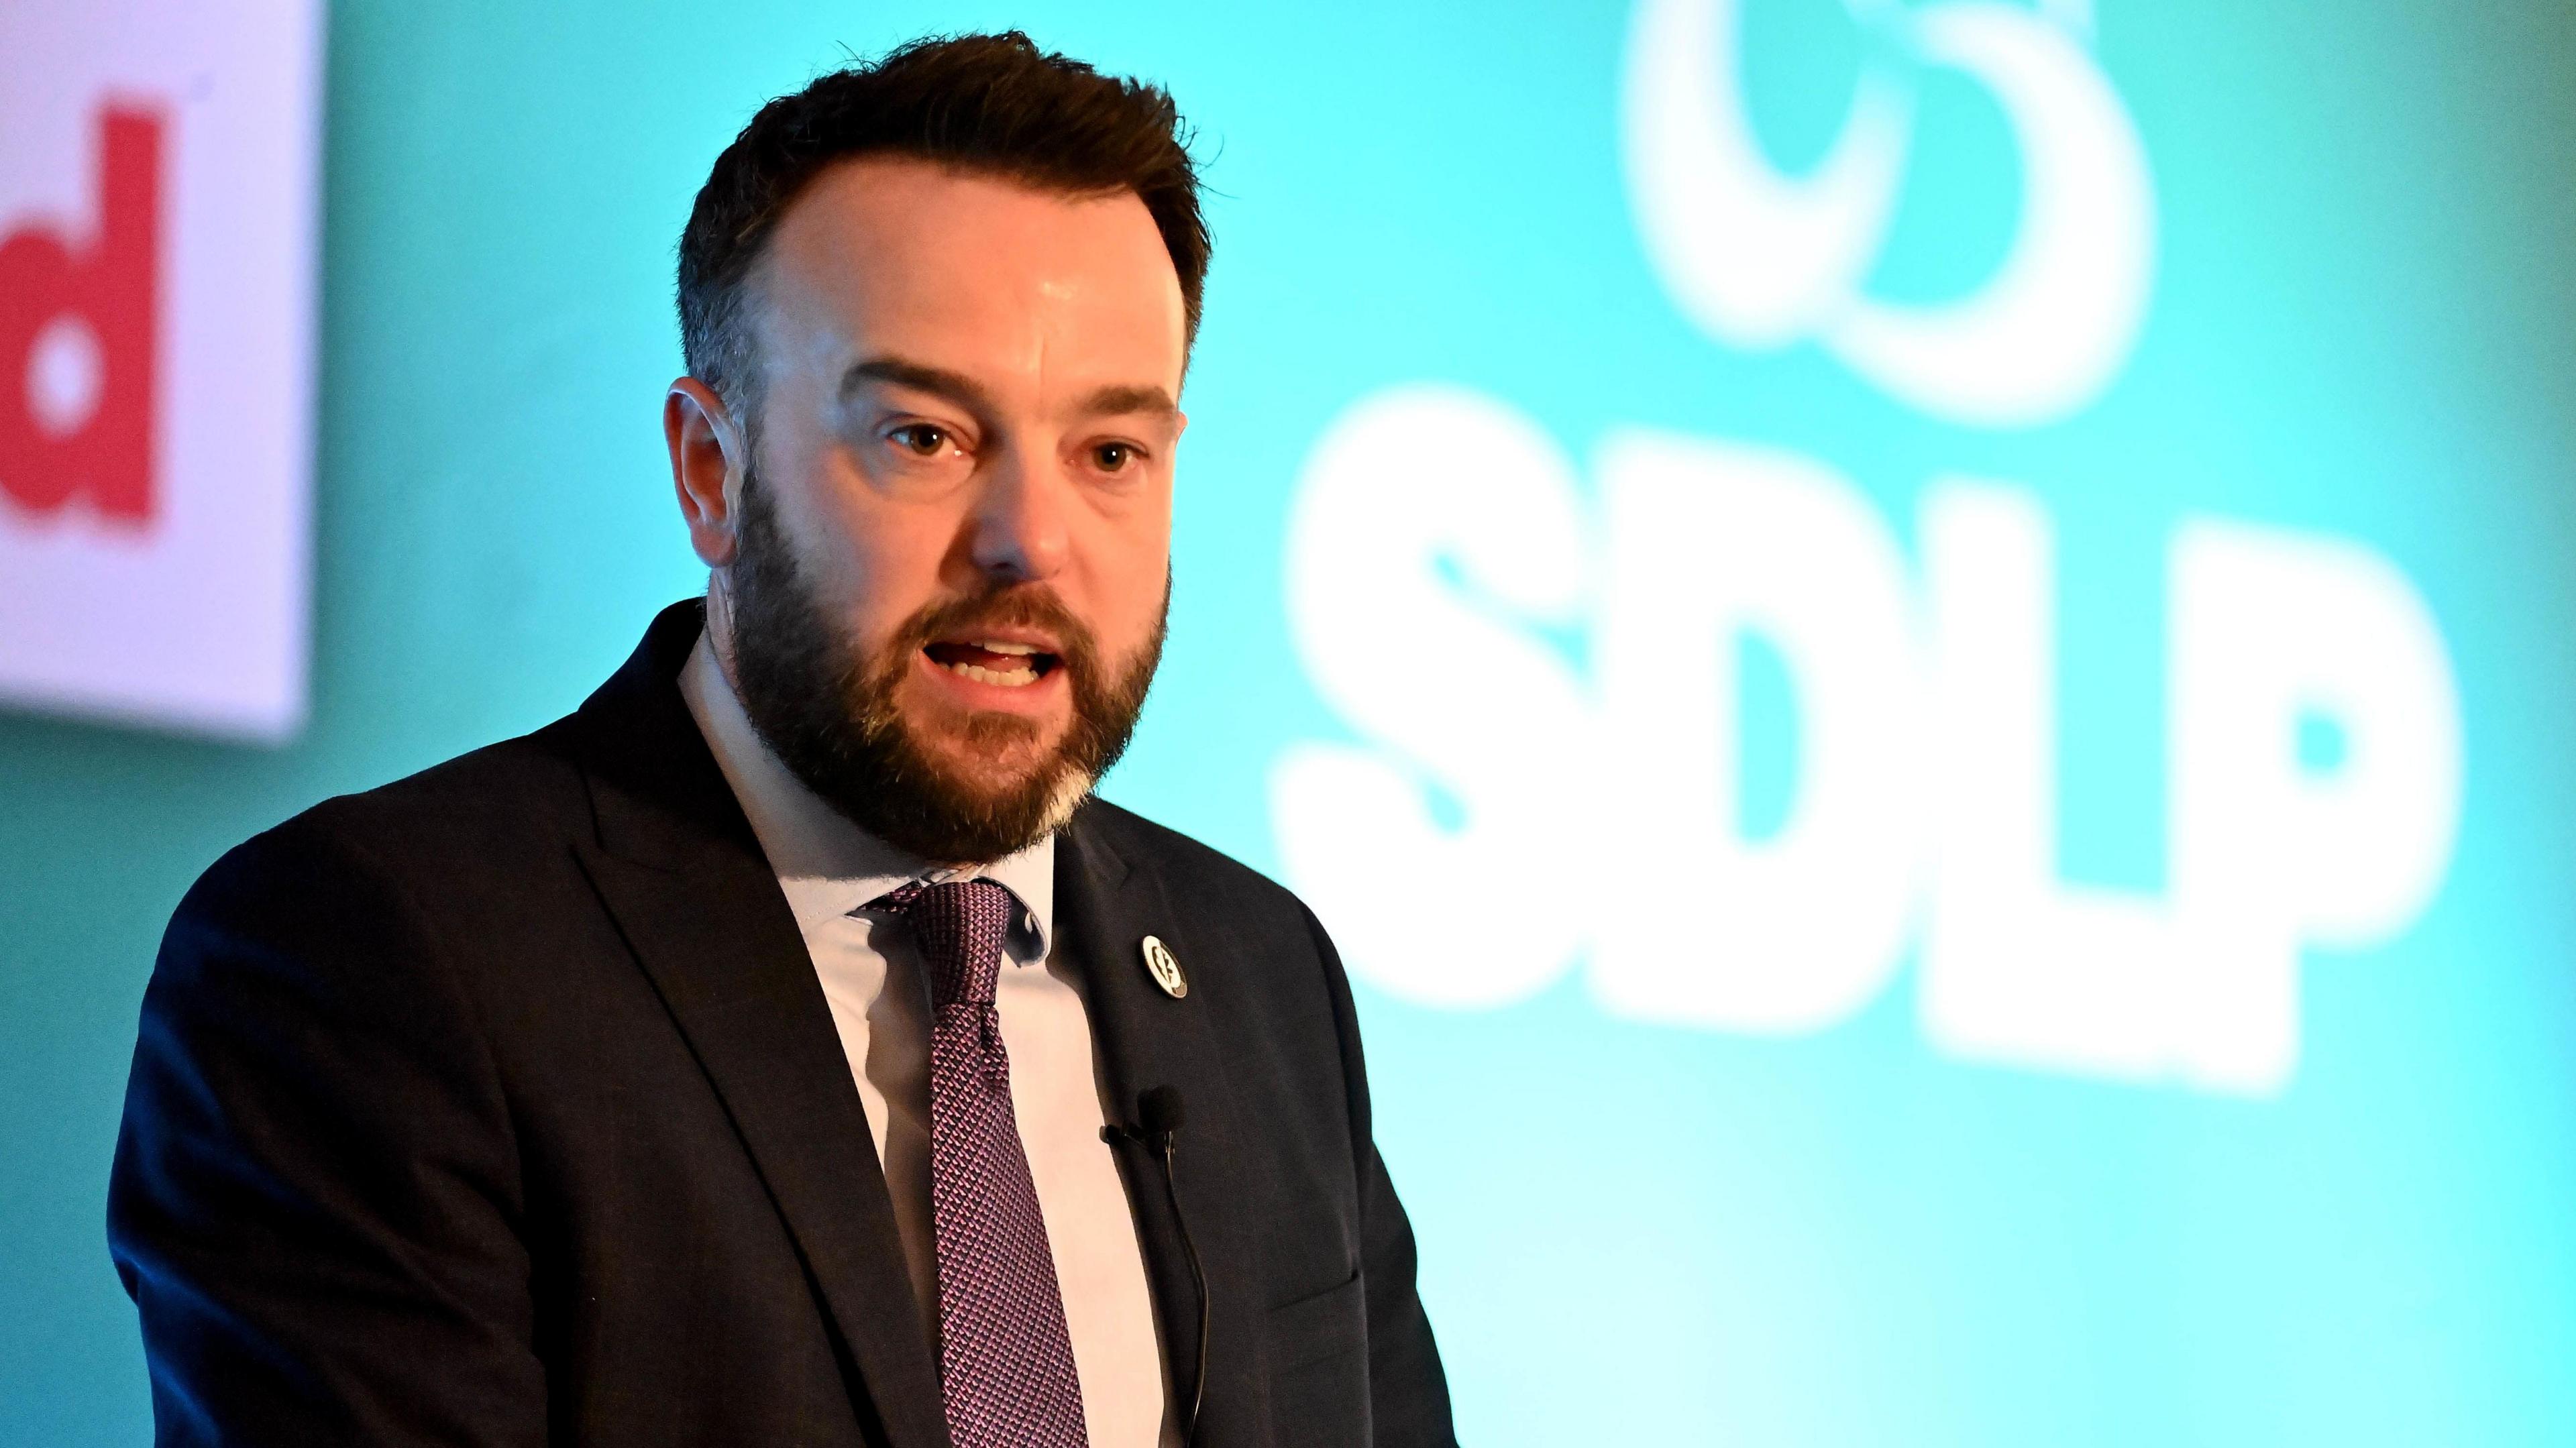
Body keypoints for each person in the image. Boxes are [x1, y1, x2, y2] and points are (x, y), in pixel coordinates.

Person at [107, 32, 1454, 1448]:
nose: (1029, 543)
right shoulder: (374, 957)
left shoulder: (1262, 975)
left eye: (1109, 453)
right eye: (924, 438)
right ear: (712, 473)